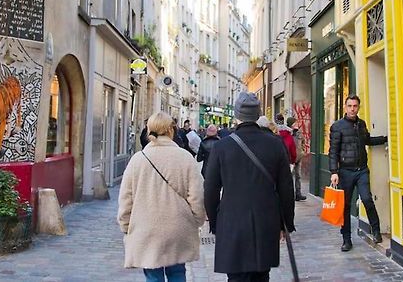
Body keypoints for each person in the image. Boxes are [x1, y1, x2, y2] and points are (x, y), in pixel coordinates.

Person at [205, 92, 295, 281]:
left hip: (232, 220)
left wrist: (214, 223)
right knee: (262, 274)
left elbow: (211, 190)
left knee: (236, 275)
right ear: (258, 114)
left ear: (237, 115)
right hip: (266, 219)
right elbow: (286, 188)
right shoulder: (275, 144)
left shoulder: (222, 147)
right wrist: (285, 223)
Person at [117, 112, 206, 281]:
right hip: (179, 227)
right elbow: (197, 196)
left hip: (146, 228)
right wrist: (196, 221)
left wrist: (126, 225)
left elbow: (126, 199)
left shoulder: (138, 160)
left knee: (152, 274)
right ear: (172, 130)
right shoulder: (185, 158)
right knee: (178, 272)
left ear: (149, 130)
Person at [329, 94, 388, 252]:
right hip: (345, 172)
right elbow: (333, 151)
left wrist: (385, 139)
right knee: (345, 206)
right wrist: (334, 171)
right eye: (350, 106)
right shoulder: (337, 126)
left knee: (367, 199)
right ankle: (346, 239)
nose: (352, 109)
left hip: (361, 169)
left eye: (355, 106)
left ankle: (376, 231)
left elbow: (367, 140)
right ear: (345, 107)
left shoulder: (361, 124)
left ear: (358, 107)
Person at [286, 116, 306, 201]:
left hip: (299, 157)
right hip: (290, 158)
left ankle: (298, 193)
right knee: (289, 177)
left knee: (298, 176)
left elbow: (303, 142)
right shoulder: (287, 132)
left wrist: (302, 151)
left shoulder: (299, 132)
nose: (296, 124)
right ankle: (290, 194)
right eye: (294, 123)